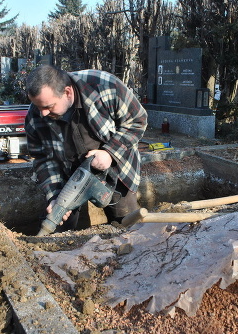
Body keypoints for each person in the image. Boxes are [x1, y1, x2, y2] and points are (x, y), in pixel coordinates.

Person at [24, 64, 147, 233]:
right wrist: (54, 195)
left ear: (67, 92)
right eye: (38, 107)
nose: (42, 113)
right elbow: (43, 159)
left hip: (114, 168)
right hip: (68, 175)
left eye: (48, 107)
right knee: (58, 231)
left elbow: (137, 120)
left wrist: (109, 153)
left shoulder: (104, 86)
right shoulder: (35, 117)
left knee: (128, 225)